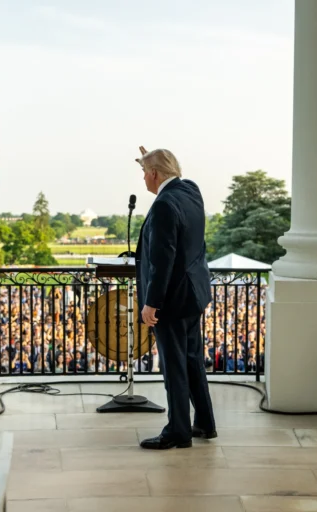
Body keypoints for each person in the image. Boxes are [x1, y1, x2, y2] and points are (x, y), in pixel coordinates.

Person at [134, 146, 216, 449]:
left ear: (154, 174)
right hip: (193, 294)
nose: (143, 178)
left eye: (144, 172)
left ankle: (179, 431)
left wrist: (151, 303)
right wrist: (151, 155)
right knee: (193, 361)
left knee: (174, 367)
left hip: (171, 300)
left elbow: (162, 260)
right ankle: (205, 422)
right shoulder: (190, 191)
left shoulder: (163, 206)